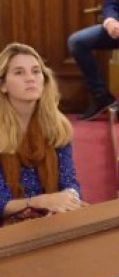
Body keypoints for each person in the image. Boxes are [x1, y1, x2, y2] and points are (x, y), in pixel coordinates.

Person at [0, 44, 83, 222]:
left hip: (51, 216)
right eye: (19, 72)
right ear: (3, 85)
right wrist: (40, 202)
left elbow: (70, 181)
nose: (30, 78)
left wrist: (69, 197)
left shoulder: (57, 125)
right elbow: (1, 202)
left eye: (36, 71)